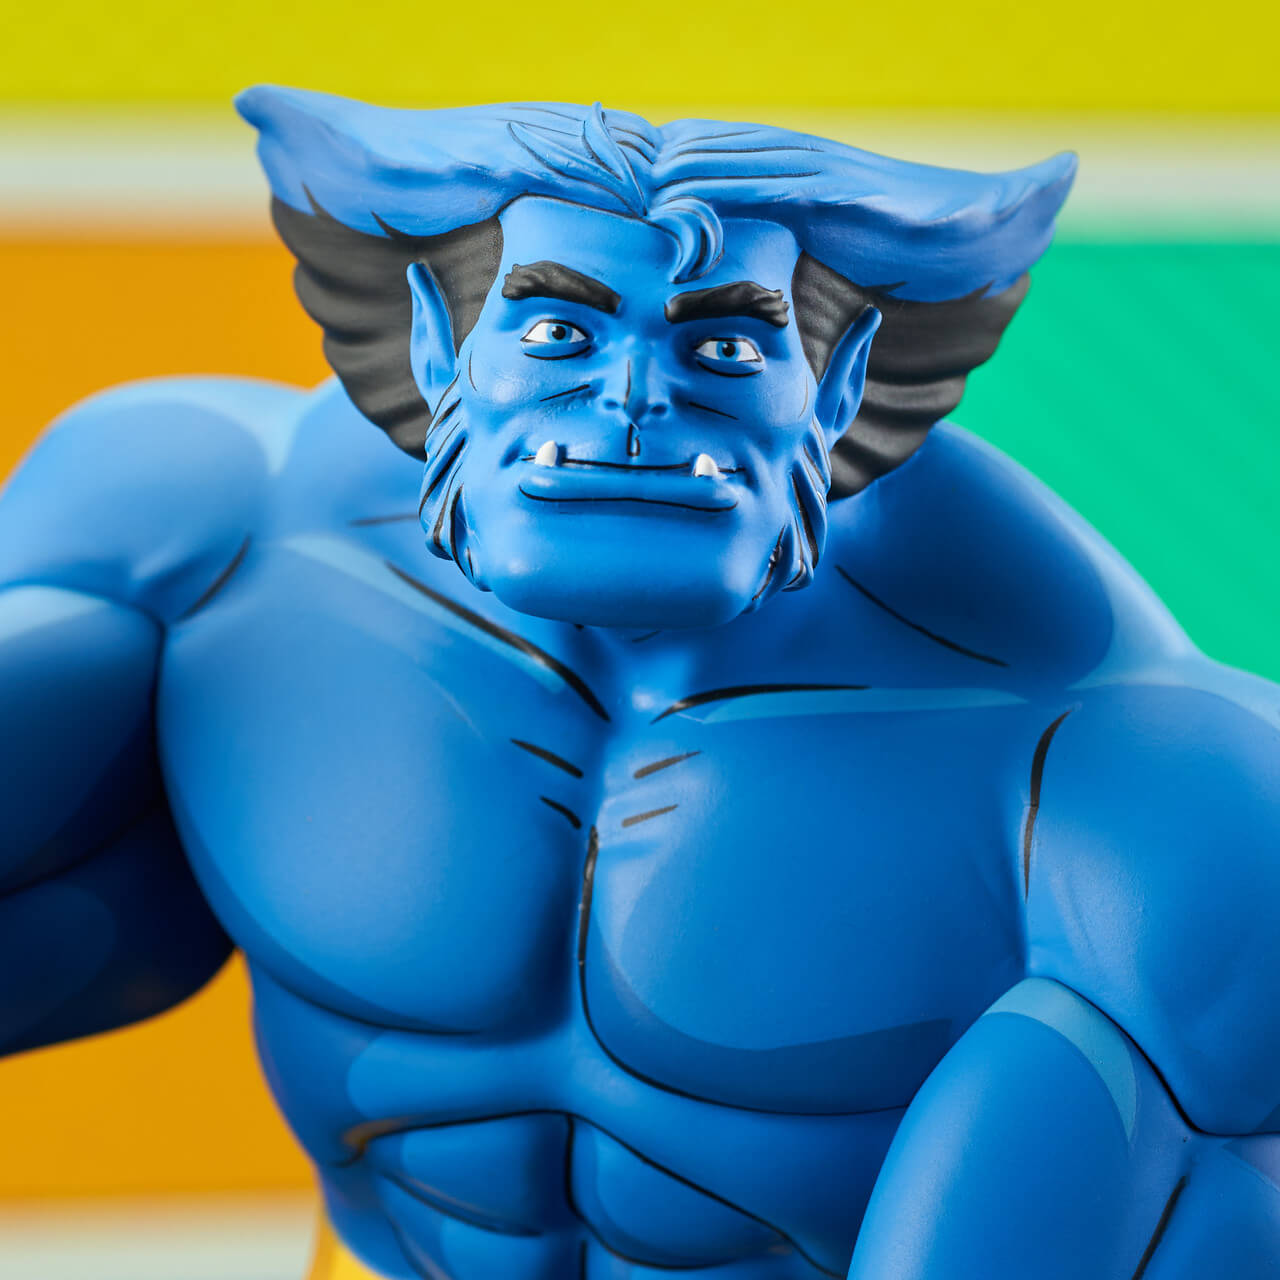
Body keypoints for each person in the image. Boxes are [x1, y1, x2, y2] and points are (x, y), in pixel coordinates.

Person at [2, 88, 1277, 1280]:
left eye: (722, 346)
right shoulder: (205, 549)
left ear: (837, 382)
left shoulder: (1123, 759)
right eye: (557, 332)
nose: (628, 400)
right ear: (439, 343)